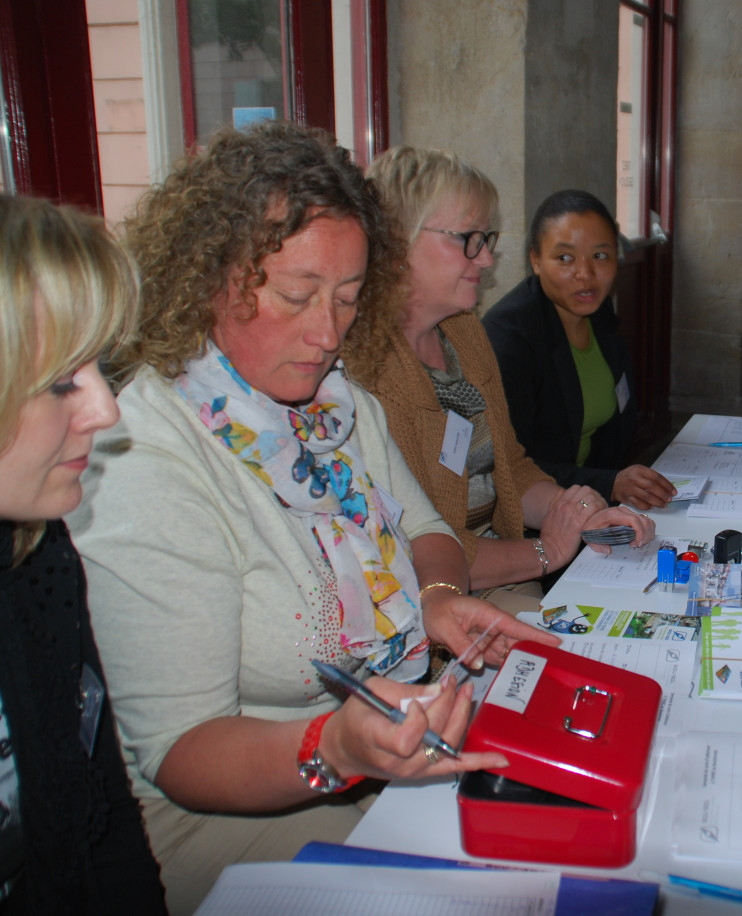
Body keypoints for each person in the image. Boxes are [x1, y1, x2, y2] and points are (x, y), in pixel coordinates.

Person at [67, 122, 556, 915]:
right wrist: (334, 746)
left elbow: (432, 533)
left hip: (369, 747)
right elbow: (181, 752)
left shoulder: (337, 405)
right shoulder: (145, 456)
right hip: (222, 813)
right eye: (296, 297)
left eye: (350, 299)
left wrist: (433, 600)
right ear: (210, 278)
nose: (329, 335)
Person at [357, 148, 654, 602]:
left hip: (501, 569)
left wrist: (573, 510)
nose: (487, 260)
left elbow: (510, 466)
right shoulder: (368, 373)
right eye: (467, 239)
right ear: (397, 241)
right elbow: (417, 545)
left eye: (487, 239)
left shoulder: (464, 333)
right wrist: (547, 548)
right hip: (436, 594)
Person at [0, 195, 167, 913]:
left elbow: (102, 829)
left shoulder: (37, 552)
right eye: (64, 380)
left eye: (98, 367)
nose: (105, 409)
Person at [483, 189, 675, 509]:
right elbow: (509, 468)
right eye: (565, 258)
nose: (585, 274)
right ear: (535, 260)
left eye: (600, 256)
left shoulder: (600, 316)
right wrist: (609, 484)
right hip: (535, 522)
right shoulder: (510, 337)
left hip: (594, 507)